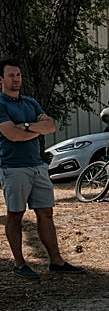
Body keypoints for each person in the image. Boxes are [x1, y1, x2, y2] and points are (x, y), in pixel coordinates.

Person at [0, 59, 87, 278]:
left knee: (46, 212)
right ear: (1, 79)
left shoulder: (30, 102)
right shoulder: (0, 104)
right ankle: (20, 264)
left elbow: (50, 126)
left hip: (37, 166)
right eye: (11, 75)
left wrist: (27, 126)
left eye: (18, 75)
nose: (16, 79)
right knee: (15, 215)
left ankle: (56, 261)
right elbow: (12, 135)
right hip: (13, 167)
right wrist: (35, 129)